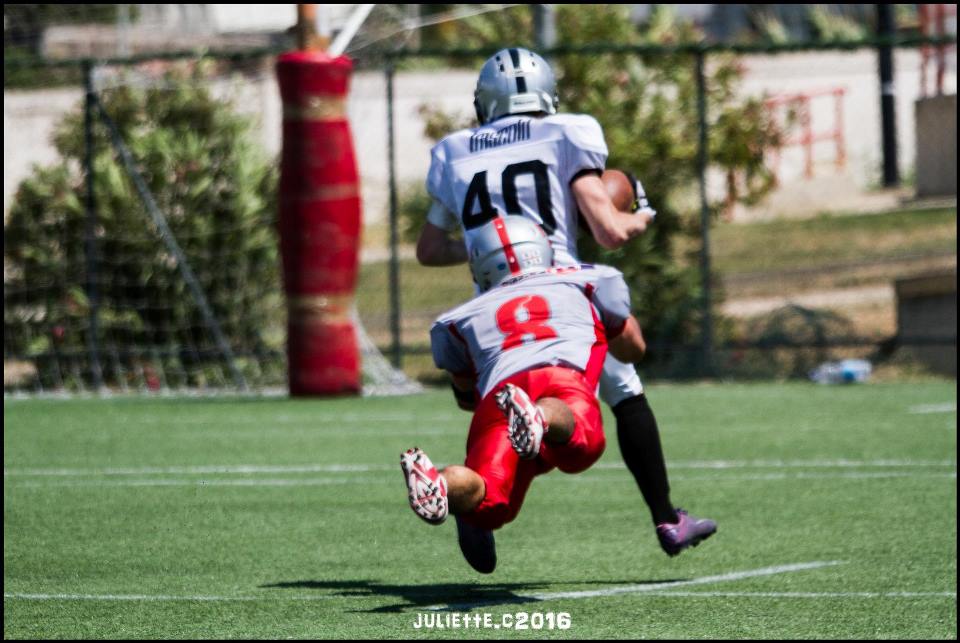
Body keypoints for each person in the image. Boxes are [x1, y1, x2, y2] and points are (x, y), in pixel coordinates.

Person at [414, 46, 716, 558]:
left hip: (491, 295)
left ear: (485, 102)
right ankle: (666, 518)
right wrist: (643, 211)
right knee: (624, 387)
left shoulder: (456, 151)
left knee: (489, 400)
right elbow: (609, 229)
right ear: (546, 94)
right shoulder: (565, 132)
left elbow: (427, 249)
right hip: (562, 287)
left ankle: (470, 501)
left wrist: (481, 249)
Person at [401, 216, 652, 573]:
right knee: (582, 448)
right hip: (559, 376)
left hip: (499, 397)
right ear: (542, 249)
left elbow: (465, 399)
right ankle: (542, 417)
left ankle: (440, 483)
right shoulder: (589, 280)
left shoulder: (459, 319)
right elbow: (634, 349)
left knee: (490, 503)